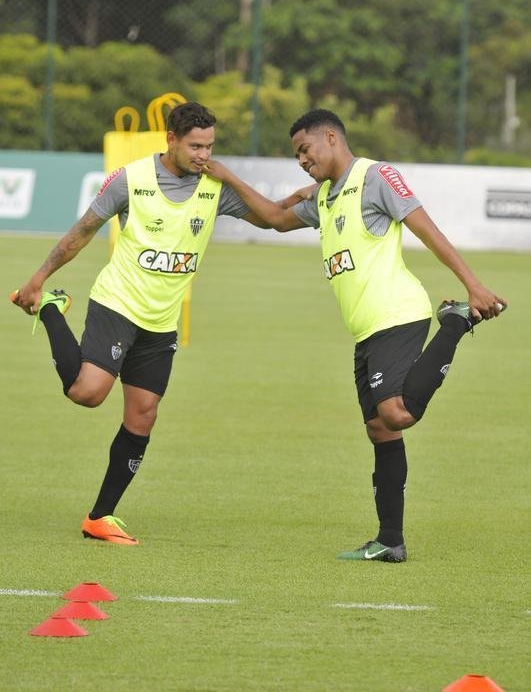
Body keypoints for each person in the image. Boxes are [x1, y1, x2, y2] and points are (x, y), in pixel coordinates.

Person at [203, 108, 507, 562]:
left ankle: (456, 322)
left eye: (304, 150)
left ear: (331, 137)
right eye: (296, 156)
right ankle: (390, 541)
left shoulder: (376, 177)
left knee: (398, 413)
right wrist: (224, 183)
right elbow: (271, 218)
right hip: (367, 330)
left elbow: (427, 229)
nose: (302, 161)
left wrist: (473, 284)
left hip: (396, 315)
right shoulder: (324, 198)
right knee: (380, 430)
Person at [10, 101, 303, 546]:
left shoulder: (214, 186)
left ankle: (100, 517)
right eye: (195, 146)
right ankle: (52, 308)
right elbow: (84, 229)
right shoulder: (132, 180)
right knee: (87, 393)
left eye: (209, 146)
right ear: (171, 139)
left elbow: (275, 220)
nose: (204, 155)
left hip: (161, 321)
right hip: (118, 304)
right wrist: (39, 278)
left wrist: (234, 178)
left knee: (143, 417)